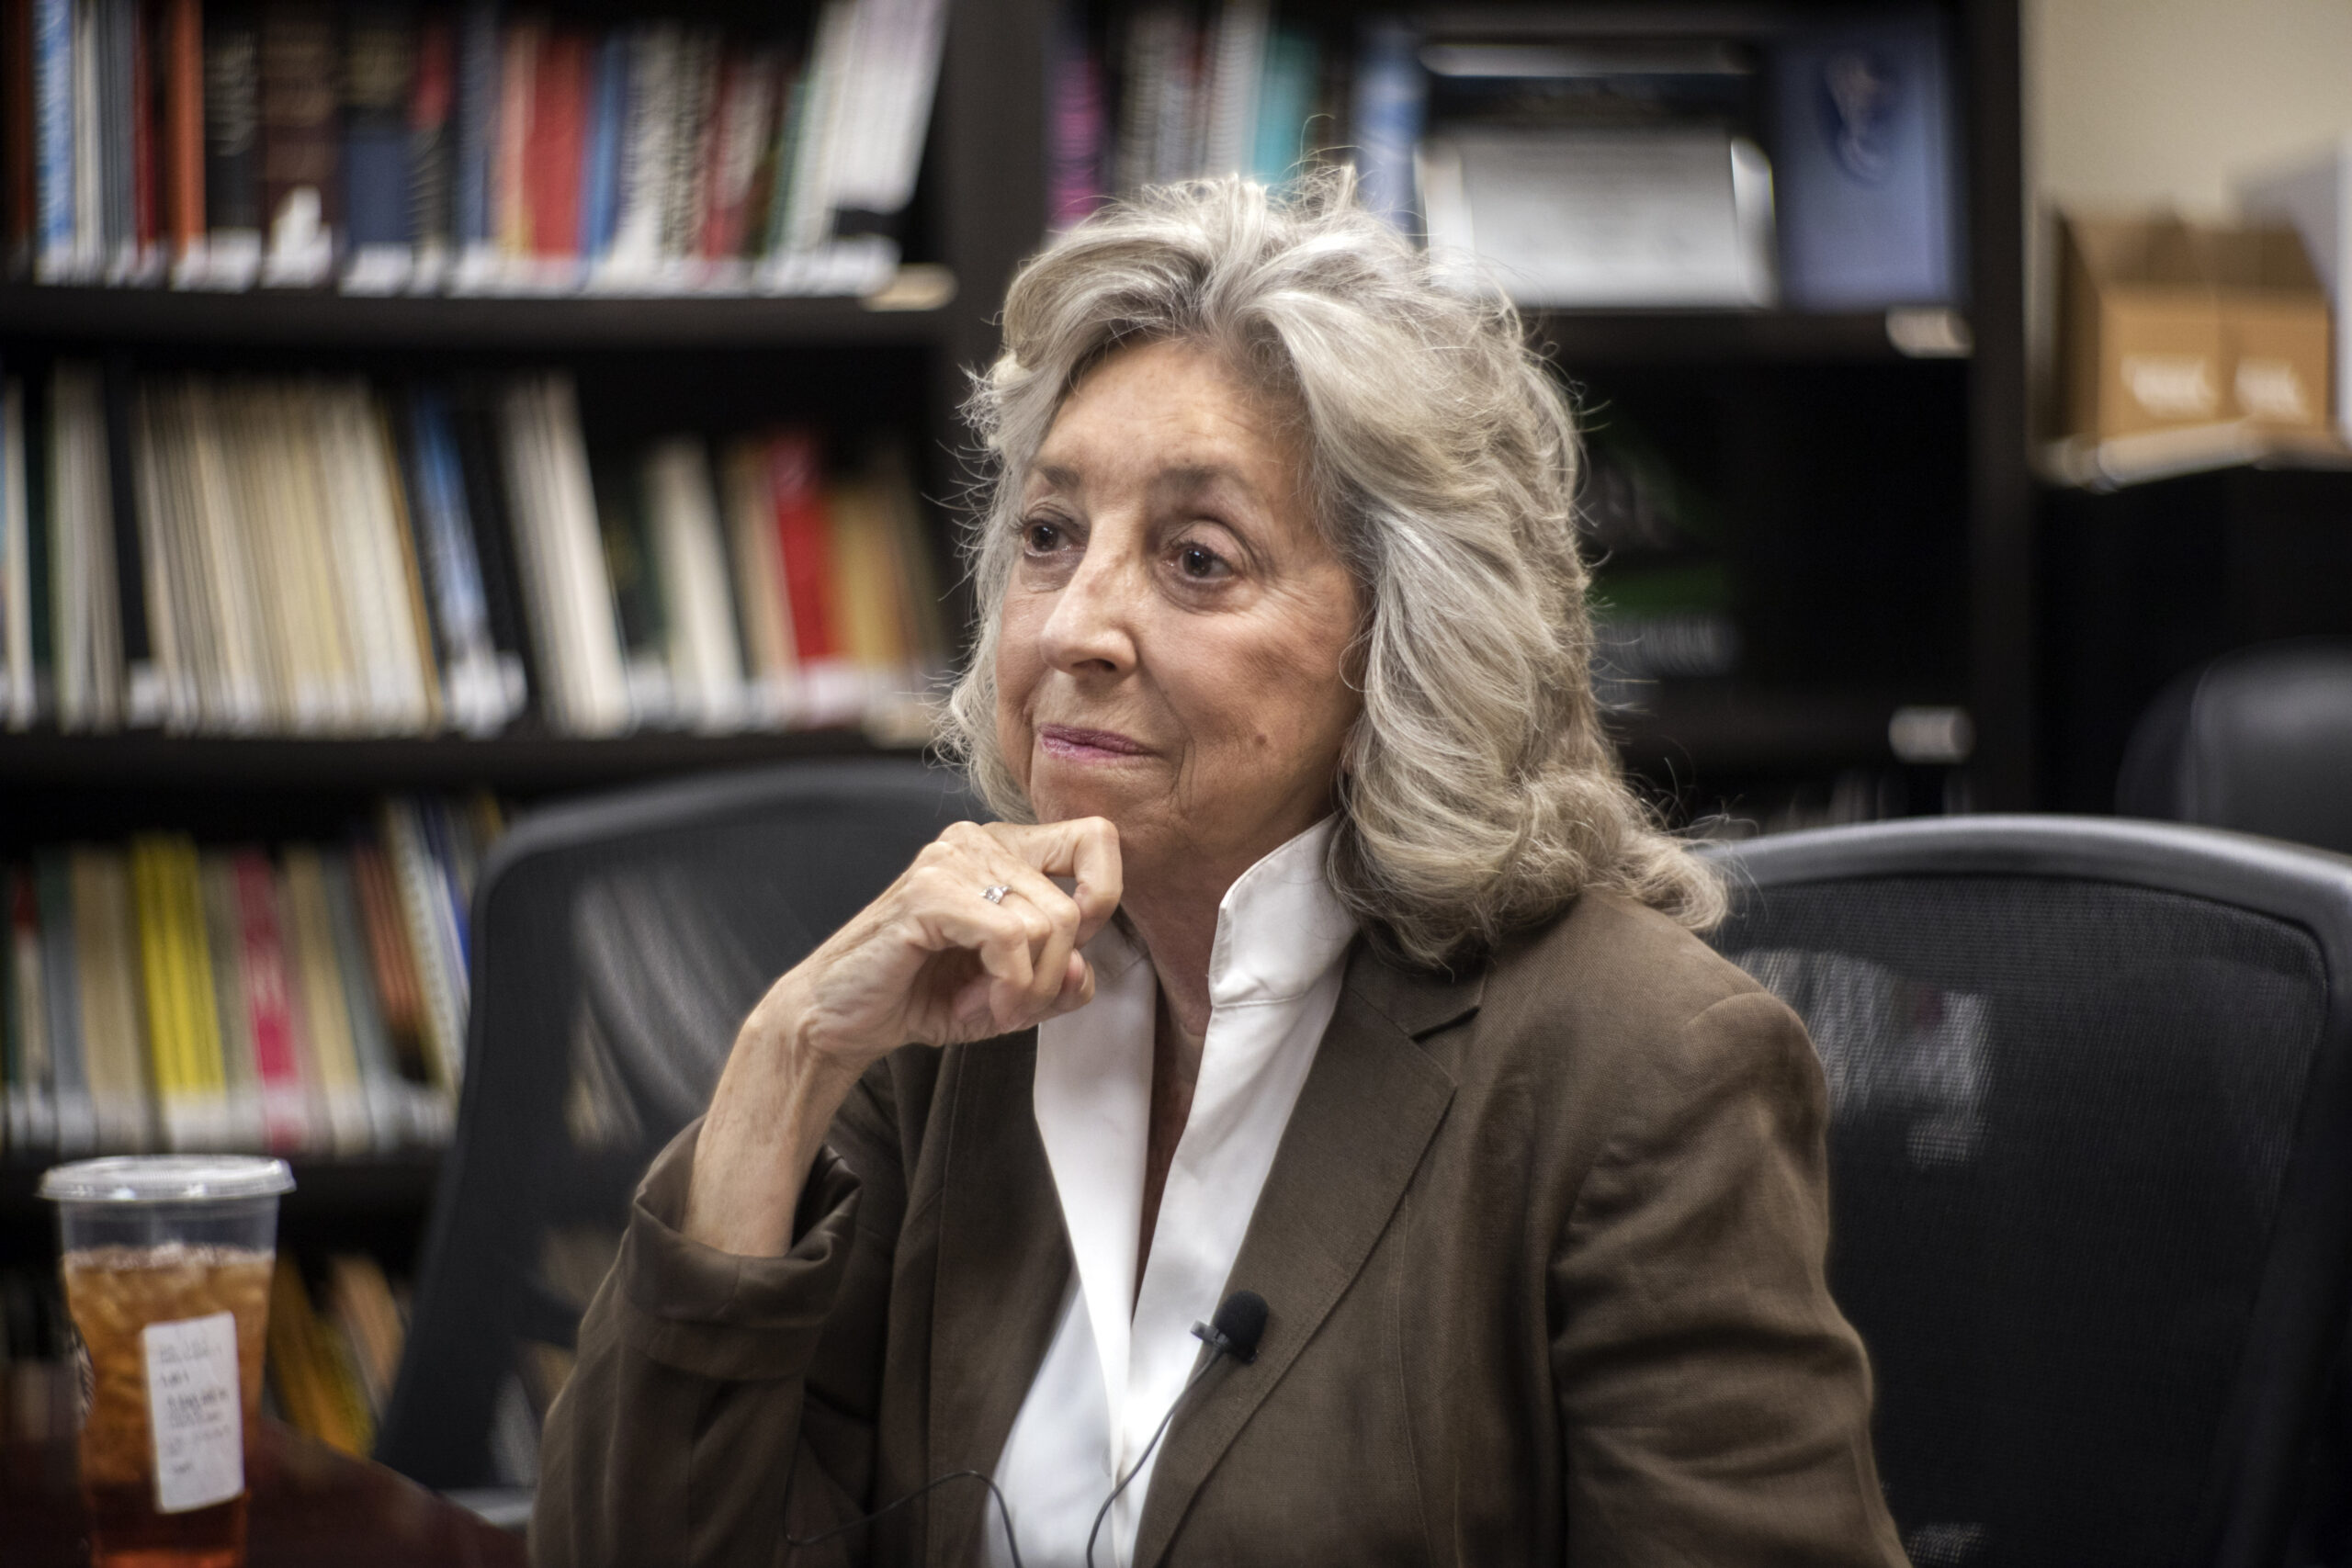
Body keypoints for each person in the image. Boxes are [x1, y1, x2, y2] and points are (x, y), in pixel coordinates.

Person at [533, 173, 1909, 1568]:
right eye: (1049, 536)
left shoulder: (1642, 1068)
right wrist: (786, 1057)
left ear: (1401, 642)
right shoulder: (950, 1019)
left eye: (1197, 559)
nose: (1078, 624)